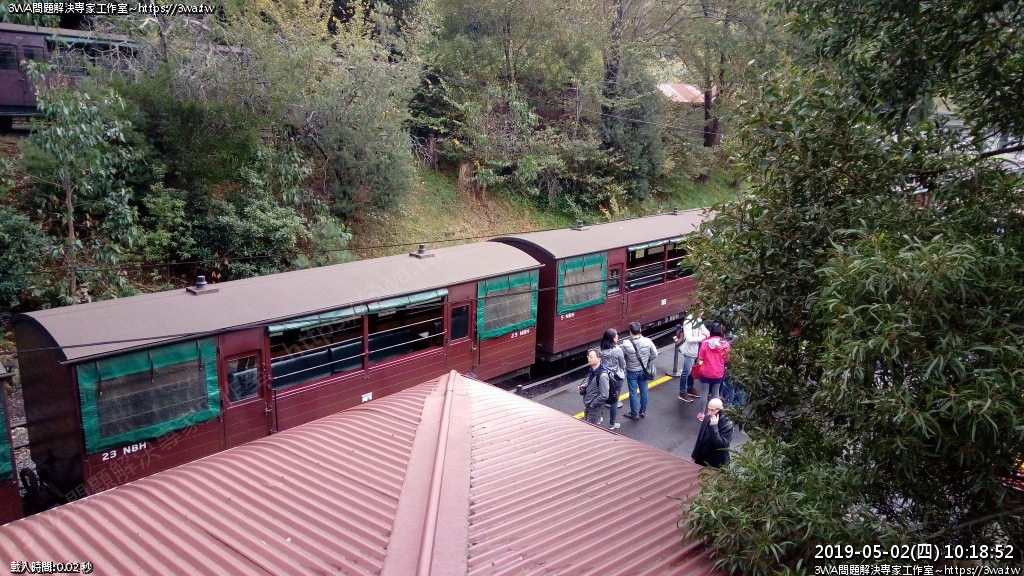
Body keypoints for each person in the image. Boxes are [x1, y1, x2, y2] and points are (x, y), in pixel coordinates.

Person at [619, 321, 657, 420]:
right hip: (643, 370)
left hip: (631, 371)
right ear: (640, 330)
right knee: (644, 391)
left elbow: (622, 357)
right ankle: (643, 411)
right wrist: (647, 360)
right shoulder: (647, 341)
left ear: (630, 331)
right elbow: (655, 354)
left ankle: (634, 413)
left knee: (633, 392)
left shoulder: (626, 344)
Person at [696, 321, 730, 421]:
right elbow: (727, 358)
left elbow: (701, 358)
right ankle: (715, 414)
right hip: (718, 372)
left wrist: (702, 364)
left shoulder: (705, 343)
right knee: (716, 394)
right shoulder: (726, 344)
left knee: (704, 392)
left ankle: (702, 414)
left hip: (706, 372)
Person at [690, 398, 733, 468]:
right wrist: (694, 455)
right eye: (708, 409)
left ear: (720, 410)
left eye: (712, 410)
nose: (709, 412)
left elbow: (721, 445)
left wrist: (714, 426)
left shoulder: (727, 424)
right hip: (702, 459)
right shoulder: (707, 417)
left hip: (716, 464)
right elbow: (700, 437)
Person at [674, 313, 708, 402]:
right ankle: (682, 392)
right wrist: (702, 338)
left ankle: (690, 388)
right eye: (701, 310)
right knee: (686, 371)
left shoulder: (698, 319)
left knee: (693, 369)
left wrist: (705, 335)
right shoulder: (688, 322)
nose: (703, 312)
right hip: (690, 351)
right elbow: (689, 338)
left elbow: (705, 331)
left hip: (696, 350)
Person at [599, 328, 626, 430]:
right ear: (612, 338)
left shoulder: (601, 349)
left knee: (602, 396)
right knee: (614, 400)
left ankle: (599, 418)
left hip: (604, 376)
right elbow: (623, 365)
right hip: (616, 378)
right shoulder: (618, 350)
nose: (617, 336)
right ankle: (612, 424)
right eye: (616, 335)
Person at [579, 349, 610, 425]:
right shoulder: (592, 370)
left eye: (591, 357)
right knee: (587, 425)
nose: (589, 358)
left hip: (594, 408)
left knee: (591, 427)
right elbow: (590, 382)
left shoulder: (602, 376)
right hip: (588, 405)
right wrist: (585, 385)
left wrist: (593, 404)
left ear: (599, 359)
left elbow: (605, 395)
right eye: (588, 356)